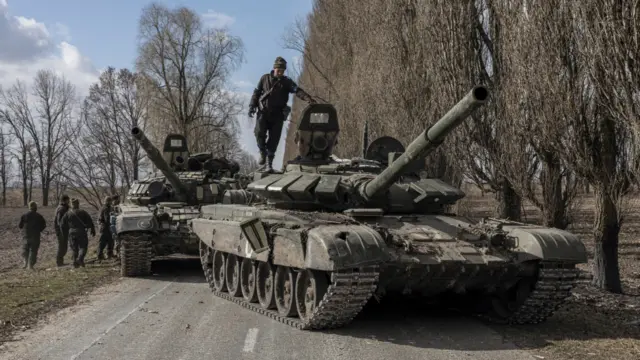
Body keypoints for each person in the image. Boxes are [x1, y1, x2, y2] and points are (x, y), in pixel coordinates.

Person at [248, 56, 316, 171]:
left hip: (278, 115)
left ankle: (269, 163)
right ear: (274, 68)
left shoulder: (286, 82)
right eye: (278, 70)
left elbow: (297, 90)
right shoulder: (265, 78)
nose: (280, 72)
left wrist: (308, 98)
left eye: (282, 71)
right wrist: (251, 106)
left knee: (274, 140)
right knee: (259, 133)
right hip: (263, 113)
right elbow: (256, 92)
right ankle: (262, 152)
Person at [60, 198, 96, 268]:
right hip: (81, 232)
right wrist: (92, 230)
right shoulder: (83, 212)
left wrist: (64, 234)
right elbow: (90, 222)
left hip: (71, 232)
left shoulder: (67, 213)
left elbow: (62, 224)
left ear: (71, 204)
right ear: (78, 204)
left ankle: (75, 263)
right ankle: (80, 259)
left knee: (74, 248)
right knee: (83, 247)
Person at [18, 201, 47, 270]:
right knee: (33, 251)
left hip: (26, 235)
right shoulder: (39, 216)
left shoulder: (24, 215)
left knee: (25, 250)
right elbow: (44, 225)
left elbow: (20, 226)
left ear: (29, 207)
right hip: (35, 236)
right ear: (36, 207)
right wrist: (39, 230)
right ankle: (30, 265)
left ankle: (25, 263)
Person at [54, 194, 70, 267]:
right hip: (61, 231)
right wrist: (62, 231)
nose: (69, 201)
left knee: (64, 246)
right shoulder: (61, 209)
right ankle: (59, 262)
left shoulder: (64, 208)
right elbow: (59, 221)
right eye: (68, 200)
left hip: (63, 230)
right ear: (65, 200)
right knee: (62, 246)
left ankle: (60, 261)